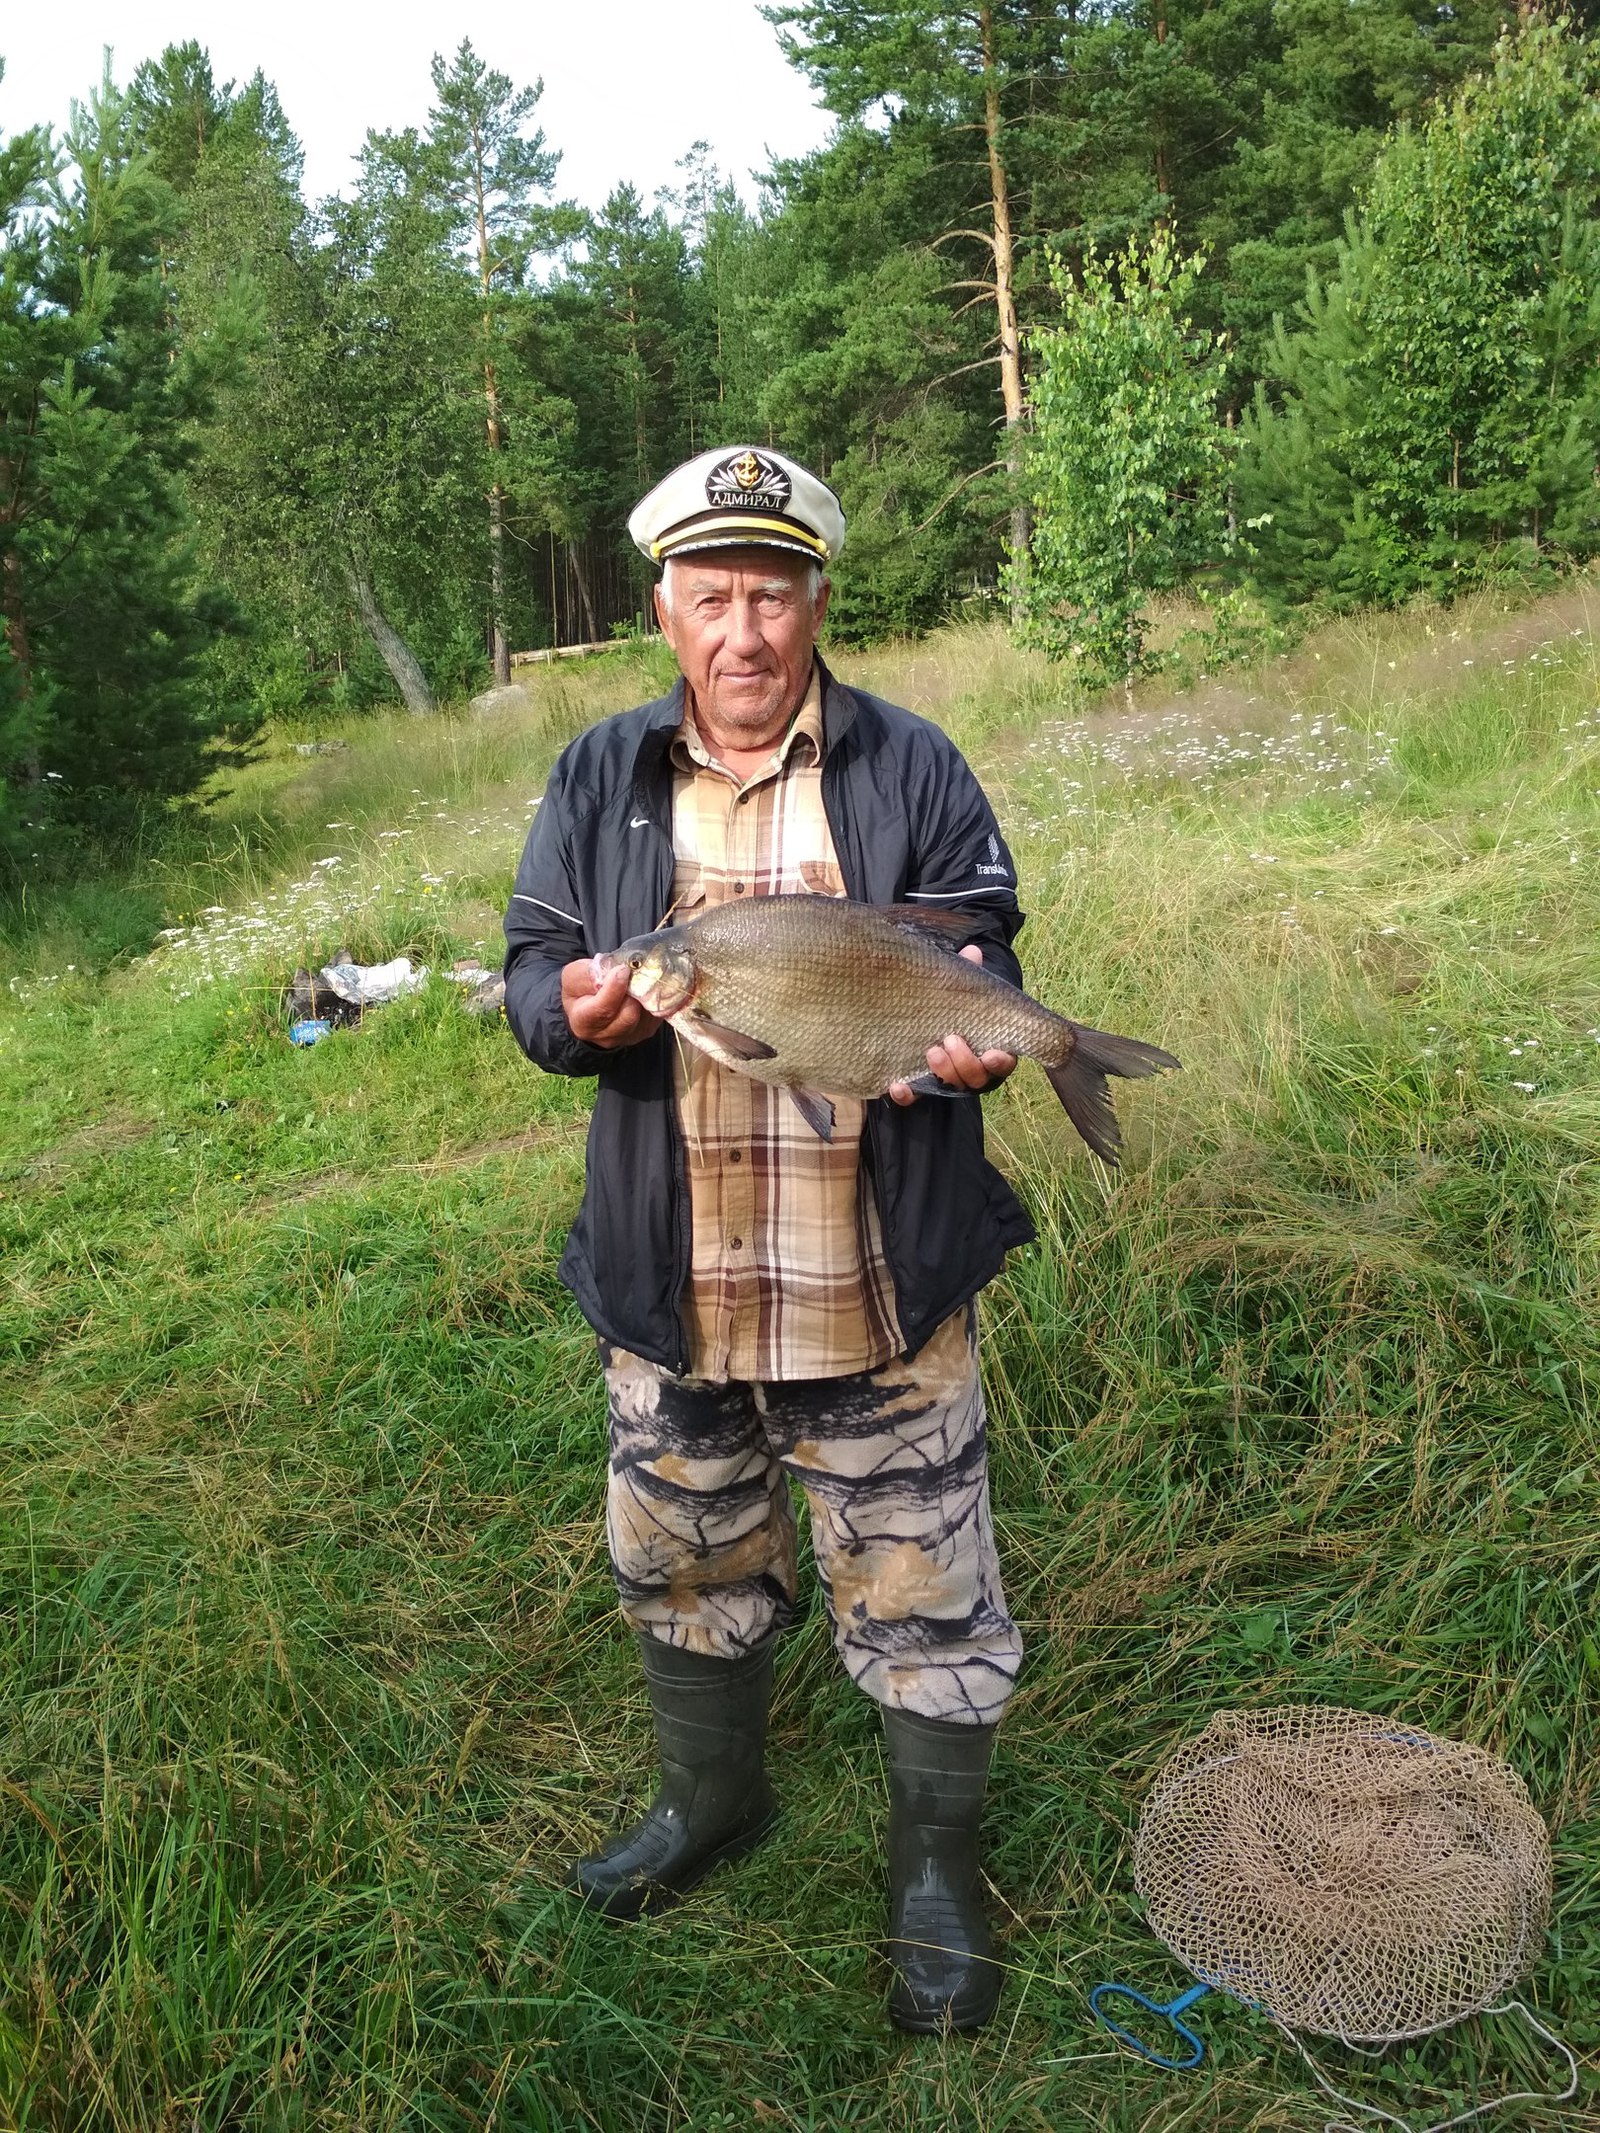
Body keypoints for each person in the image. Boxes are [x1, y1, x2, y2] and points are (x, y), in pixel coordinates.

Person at [502, 445, 1035, 2034]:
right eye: (713, 596)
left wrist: (980, 1034)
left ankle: (935, 1876)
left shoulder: (908, 760)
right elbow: (533, 971)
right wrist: (575, 1010)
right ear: (665, 609)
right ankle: (709, 1801)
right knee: (682, 1563)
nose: (745, 631)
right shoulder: (601, 777)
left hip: (875, 1289)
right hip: (676, 1289)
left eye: (775, 594)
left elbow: (979, 938)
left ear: (818, 602)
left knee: (927, 1587)